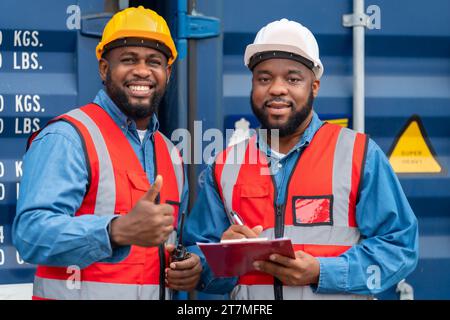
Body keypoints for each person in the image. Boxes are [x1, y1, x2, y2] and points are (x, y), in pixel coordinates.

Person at [184, 18, 419, 300]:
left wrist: (322, 272)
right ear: (253, 85)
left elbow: (399, 248)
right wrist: (221, 259)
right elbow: (199, 260)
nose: (277, 89)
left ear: (314, 86)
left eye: (293, 78)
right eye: (264, 78)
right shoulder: (224, 166)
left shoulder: (358, 154)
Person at [13, 6, 201, 300]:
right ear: (104, 68)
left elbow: (175, 244)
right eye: (128, 59)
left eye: (154, 61)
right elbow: (30, 235)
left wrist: (190, 265)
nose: (142, 70)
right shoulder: (69, 137)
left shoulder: (171, 155)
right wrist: (115, 230)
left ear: (167, 72)